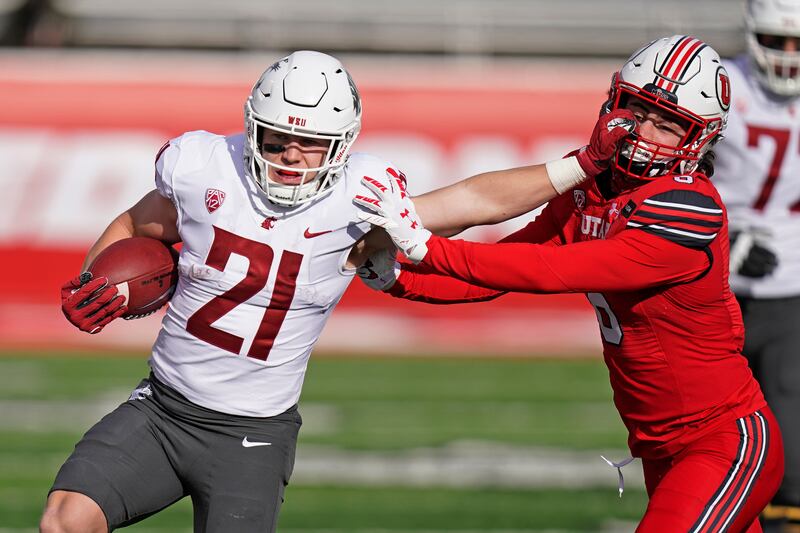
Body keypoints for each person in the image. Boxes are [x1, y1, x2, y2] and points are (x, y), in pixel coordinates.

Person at [42, 49, 620, 532]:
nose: (294, 157)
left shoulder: (359, 201)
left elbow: (472, 203)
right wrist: (97, 279)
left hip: (252, 434)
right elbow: (134, 226)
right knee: (65, 520)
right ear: (252, 129)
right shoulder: (206, 168)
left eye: (313, 144)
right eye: (277, 140)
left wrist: (580, 165)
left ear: (342, 144)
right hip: (163, 410)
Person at [356, 35, 785, 532]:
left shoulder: (688, 206)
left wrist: (426, 246)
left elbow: (553, 273)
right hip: (660, 445)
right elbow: (507, 264)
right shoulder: (597, 189)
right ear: (612, 102)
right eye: (636, 110)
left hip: (722, 441)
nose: (643, 132)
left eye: (668, 126)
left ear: (698, 140)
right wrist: (398, 281)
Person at [712, 1, 800, 530]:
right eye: (777, 40)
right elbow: (668, 183)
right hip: (712, 286)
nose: (788, 56)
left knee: (792, 459)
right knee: (709, 447)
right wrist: (724, 238)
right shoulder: (719, 87)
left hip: (793, 288)